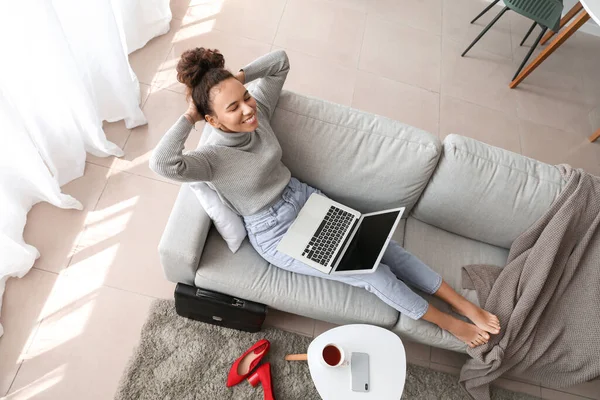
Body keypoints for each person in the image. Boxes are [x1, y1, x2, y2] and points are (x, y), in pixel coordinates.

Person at [150, 48, 500, 348]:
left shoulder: (259, 117)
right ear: (212, 120)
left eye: (246, 97)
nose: (247, 108)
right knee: (372, 274)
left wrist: (236, 77)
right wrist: (190, 116)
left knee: (387, 248)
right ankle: (449, 323)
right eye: (233, 107)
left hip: (304, 199)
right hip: (276, 233)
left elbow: (280, 61)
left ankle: (465, 305)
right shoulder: (210, 160)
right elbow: (162, 162)